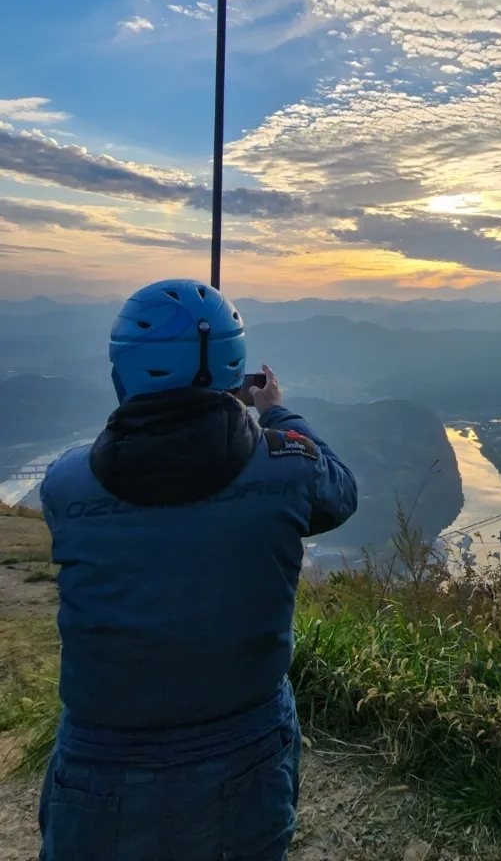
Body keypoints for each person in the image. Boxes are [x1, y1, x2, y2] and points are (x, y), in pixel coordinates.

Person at [37, 278, 358, 861]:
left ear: (123, 368)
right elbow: (340, 491)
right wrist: (275, 410)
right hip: (246, 745)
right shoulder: (287, 468)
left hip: (98, 761)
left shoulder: (65, 485)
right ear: (236, 369)